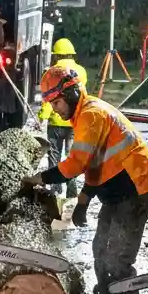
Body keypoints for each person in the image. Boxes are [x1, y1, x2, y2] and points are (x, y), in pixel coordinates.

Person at [22, 66, 148, 294]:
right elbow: (95, 166)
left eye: (57, 102)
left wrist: (38, 179)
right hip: (119, 193)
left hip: (137, 189)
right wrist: (83, 203)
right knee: (101, 249)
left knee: (119, 263)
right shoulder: (86, 115)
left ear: (72, 93)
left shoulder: (92, 114)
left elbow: (75, 164)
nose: (55, 109)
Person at [38, 38, 88, 198]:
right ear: (71, 54)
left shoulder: (52, 72)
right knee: (72, 156)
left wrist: (43, 116)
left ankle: (55, 190)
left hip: (55, 123)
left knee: (54, 155)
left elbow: (50, 99)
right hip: (73, 122)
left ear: (56, 55)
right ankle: (72, 190)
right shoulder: (81, 71)